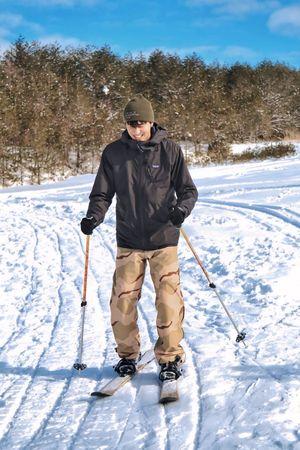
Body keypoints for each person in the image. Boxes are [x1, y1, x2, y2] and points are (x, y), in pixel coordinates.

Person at [81, 94, 198, 381]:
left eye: (141, 122)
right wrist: (93, 216)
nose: (137, 128)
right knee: (121, 302)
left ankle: (170, 358)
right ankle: (127, 356)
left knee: (168, 301)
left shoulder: (170, 151)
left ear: (151, 121)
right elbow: (102, 194)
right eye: (132, 123)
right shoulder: (113, 153)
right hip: (129, 240)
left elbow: (188, 191)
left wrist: (181, 210)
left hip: (163, 240)